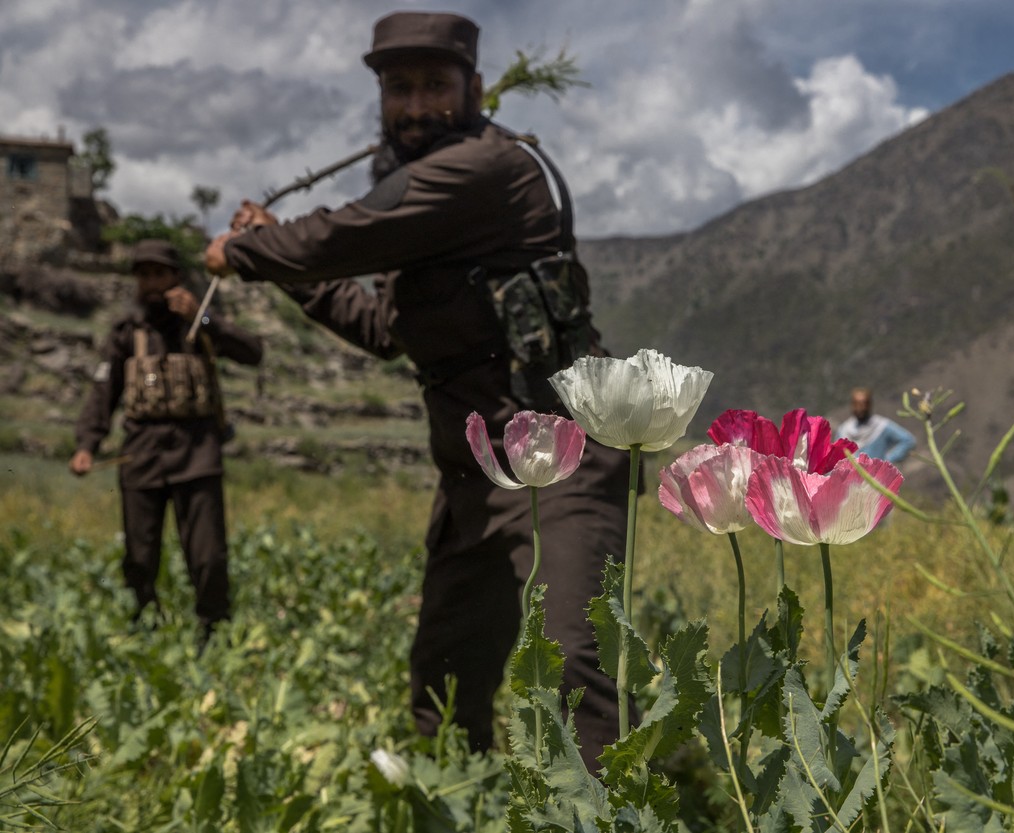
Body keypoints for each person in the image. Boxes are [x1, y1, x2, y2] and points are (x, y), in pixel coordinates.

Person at [203, 11, 630, 766]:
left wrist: (246, 249)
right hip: (475, 467)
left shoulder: (483, 169)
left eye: (436, 85)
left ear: (476, 89)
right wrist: (284, 264)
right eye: (398, 88)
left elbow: (342, 237)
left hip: (559, 455)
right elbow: (382, 327)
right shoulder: (427, 212)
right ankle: (450, 800)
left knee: (573, 661)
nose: (416, 105)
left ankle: (610, 810)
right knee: (446, 672)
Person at [71, 238, 263, 648]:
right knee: (139, 557)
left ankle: (214, 636)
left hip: (197, 455)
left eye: (159, 274)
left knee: (208, 557)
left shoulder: (200, 324)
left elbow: (253, 352)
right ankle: (146, 630)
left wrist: (203, 317)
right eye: (144, 275)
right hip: (141, 456)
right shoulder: (126, 333)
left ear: (176, 277)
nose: (152, 283)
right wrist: (87, 444)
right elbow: (103, 392)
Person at [834, 387, 916, 465]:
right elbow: (836, 456)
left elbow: (908, 440)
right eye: (857, 404)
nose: (861, 408)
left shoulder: (881, 426)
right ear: (852, 405)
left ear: (869, 405)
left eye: (864, 404)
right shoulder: (844, 431)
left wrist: (887, 461)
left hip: (876, 474)